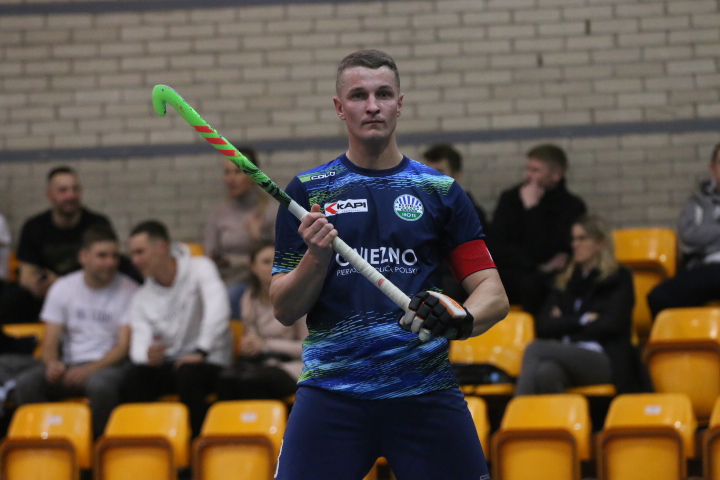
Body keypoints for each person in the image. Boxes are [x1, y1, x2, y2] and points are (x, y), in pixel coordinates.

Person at [270, 49, 508, 480]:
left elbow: (493, 292)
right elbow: (285, 308)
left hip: (425, 392)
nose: (372, 106)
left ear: (400, 103)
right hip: (331, 395)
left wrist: (462, 318)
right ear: (339, 107)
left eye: (383, 94)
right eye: (358, 95)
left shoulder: (441, 191)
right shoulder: (307, 192)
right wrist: (316, 257)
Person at [12, 224, 139, 437]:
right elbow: (50, 341)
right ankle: (46, 439)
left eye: (115, 256)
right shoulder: (63, 288)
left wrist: (90, 369)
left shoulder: (130, 290)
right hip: (70, 366)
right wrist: (52, 364)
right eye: (102, 256)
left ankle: (99, 446)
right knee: (26, 383)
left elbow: (123, 347)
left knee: (101, 386)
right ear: (83, 256)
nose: (110, 262)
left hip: (110, 366)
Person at [515, 214, 652, 396]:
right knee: (547, 372)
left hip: (605, 357)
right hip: (570, 354)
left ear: (600, 243)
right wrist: (583, 320)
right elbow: (544, 325)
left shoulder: (619, 278)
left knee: (535, 348)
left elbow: (611, 325)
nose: (575, 245)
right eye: (573, 239)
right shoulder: (565, 281)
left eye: (582, 238)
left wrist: (564, 324)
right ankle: (557, 416)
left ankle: (516, 411)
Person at [122, 220, 232, 437]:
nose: (135, 261)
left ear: (162, 247)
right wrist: (148, 355)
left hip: (209, 360)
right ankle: (150, 443)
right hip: (172, 364)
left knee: (188, 375)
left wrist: (201, 350)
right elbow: (138, 347)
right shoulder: (141, 297)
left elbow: (219, 310)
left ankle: (199, 443)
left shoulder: (200, 267)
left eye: (140, 252)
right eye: (132, 254)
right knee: (134, 377)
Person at [13, 166, 140, 314]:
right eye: (63, 190)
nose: (71, 195)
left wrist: (60, 283)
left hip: (91, 294)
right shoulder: (34, 227)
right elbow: (26, 276)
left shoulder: (97, 223)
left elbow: (107, 269)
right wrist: (38, 284)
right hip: (47, 296)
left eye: (75, 189)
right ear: (49, 195)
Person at [489, 144, 587, 315]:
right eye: (528, 169)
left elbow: (548, 249)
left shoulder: (572, 207)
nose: (528, 175)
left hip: (546, 281)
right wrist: (538, 265)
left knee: (536, 285)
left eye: (536, 170)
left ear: (556, 175)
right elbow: (496, 247)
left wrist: (533, 210)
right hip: (511, 274)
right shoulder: (510, 199)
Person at [215, 240, 307, 401]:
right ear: (253, 267)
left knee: (253, 381)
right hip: (263, 363)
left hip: (296, 365)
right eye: (266, 262)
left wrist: (265, 344)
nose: (274, 266)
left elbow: (308, 348)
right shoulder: (249, 298)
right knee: (226, 379)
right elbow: (252, 338)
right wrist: (250, 345)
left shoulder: (300, 296)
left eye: (277, 260)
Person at [647, 142, 720, 318]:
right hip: (706, 268)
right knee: (659, 296)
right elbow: (689, 236)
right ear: (713, 168)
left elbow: (699, 235)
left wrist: (708, 236)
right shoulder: (697, 202)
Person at [204, 148, 278, 319]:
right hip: (226, 279)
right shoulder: (219, 214)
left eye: (237, 172)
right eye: (227, 172)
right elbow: (210, 256)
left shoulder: (271, 210)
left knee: (229, 297)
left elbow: (282, 255)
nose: (230, 179)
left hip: (259, 282)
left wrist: (258, 236)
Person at [422, 143, 489, 302]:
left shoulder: (472, 214)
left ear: (456, 177)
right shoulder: (416, 213)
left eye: (438, 173)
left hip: (453, 288)